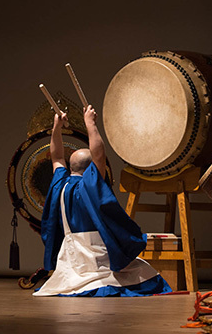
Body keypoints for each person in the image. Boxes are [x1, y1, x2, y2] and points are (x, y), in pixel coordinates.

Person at [34, 105, 172, 296]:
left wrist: (56, 127)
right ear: (92, 169)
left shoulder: (60, 186)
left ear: (71, 166)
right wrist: (90, 123)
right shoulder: (91, 184)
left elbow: (57, 156)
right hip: (97, 252)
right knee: (145, 276)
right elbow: (99, 154)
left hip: (71, 256)